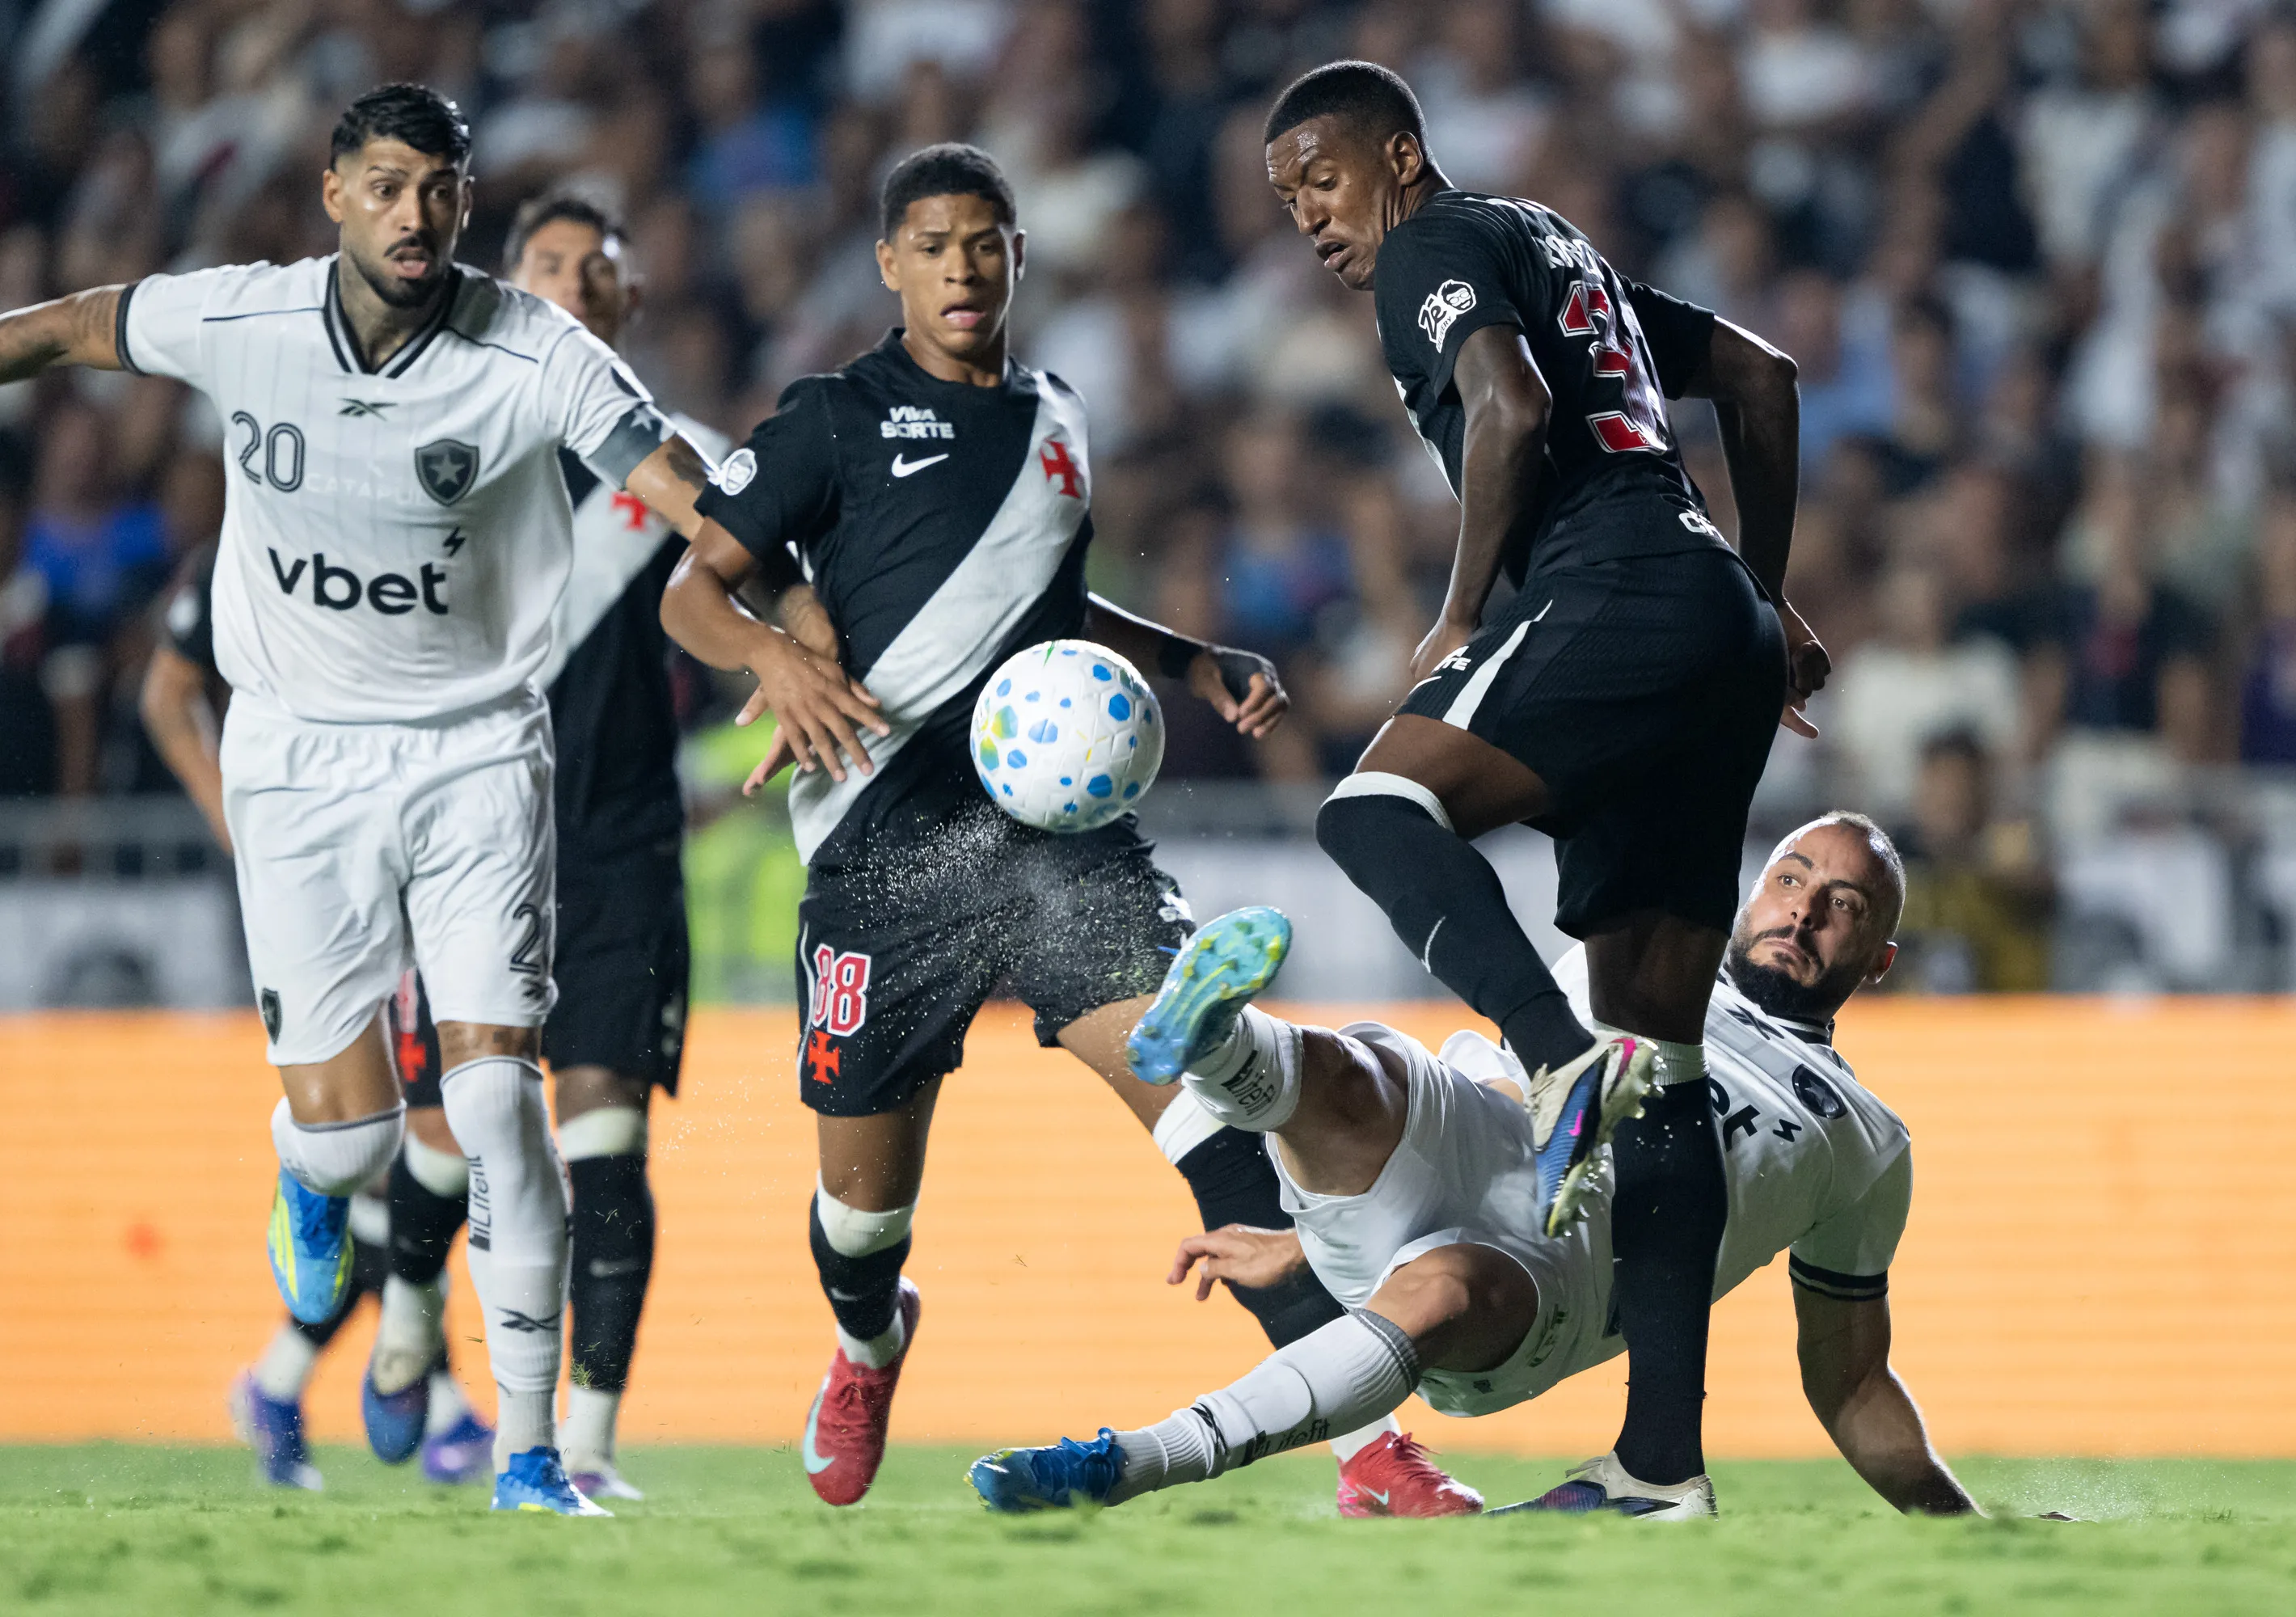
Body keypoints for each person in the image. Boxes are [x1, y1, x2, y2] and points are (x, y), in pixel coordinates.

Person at [0, 82, 716, 1516]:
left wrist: (798, 616)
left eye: (440, 190)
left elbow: (688, 487)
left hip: (471, 750)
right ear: (333, 192)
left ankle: (530, 1456)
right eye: (386, 185)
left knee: (499, 1097)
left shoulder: (533, 349)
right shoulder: (239, 317)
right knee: (350, 1135)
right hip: (297, 757)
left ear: (464, 203)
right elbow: (61, 329)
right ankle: (311, 1183)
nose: (414, 215)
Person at [662, 142, 1479, 1518]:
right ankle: (870, 1343)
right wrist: (773, 660)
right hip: (883, 851)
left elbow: (1039, 612)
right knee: (861, 1218)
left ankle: (1365, 1448)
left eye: (986, 241)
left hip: (1053, 844)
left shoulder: (1055, 415)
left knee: (1210, 1105)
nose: (963, 267)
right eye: (933, 245)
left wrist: (1187, 656)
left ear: (1021, 256)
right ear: (890, 265)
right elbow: (695, 592)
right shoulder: (832, 417)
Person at [1260, 61, 1825, 1512]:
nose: (1313, 220)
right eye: (1288, 202)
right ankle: (1661, 1467)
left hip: (1614, 585)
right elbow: (1765, 375)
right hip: (1710, 621)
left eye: (1321, 182)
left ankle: (1545, 1052)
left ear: (1398, 159)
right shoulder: (1551, 242)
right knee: (1671, 1054)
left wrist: (1459, 618)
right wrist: (1760, 609)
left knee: (1374, 808)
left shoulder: (1432, 249)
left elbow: (1504, 407)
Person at [973, 815, 1977, 1521]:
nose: (1801, 912)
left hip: (1563, 1282)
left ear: (1878, 956)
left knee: (1447, 1288)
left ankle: (1123, 1462)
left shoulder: (1868, 1138)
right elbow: (1506, 1080)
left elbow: (1849, 1379)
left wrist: (1964, 1529)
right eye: (1792, 878)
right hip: (1493, 1138)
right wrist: (1306, 1240)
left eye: (1842, 904)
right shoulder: (1623, 964)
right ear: (1756, 885)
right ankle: (1217, 1044)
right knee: (1372, 1068)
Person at [361, 192, 725, 1503]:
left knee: (605, 1147)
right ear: (515, 290)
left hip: (622, 850)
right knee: (445, 1144)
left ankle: (585, 1448)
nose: (576, 285)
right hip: (471, 842)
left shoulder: (686, 465)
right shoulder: (441, 443)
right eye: (552, 266)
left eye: (600, 271)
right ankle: (409, 1309)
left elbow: (763, 582)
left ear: (629, 306)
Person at [141, 545, 494, 1492]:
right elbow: (167, 693)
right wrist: (245, 834)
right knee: (386, 1149)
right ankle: (433, 1402)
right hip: (322, 887)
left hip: (422, 864)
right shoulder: (251, 552)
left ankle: (289, 1382)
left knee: (421, 1147)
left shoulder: (416, 529)